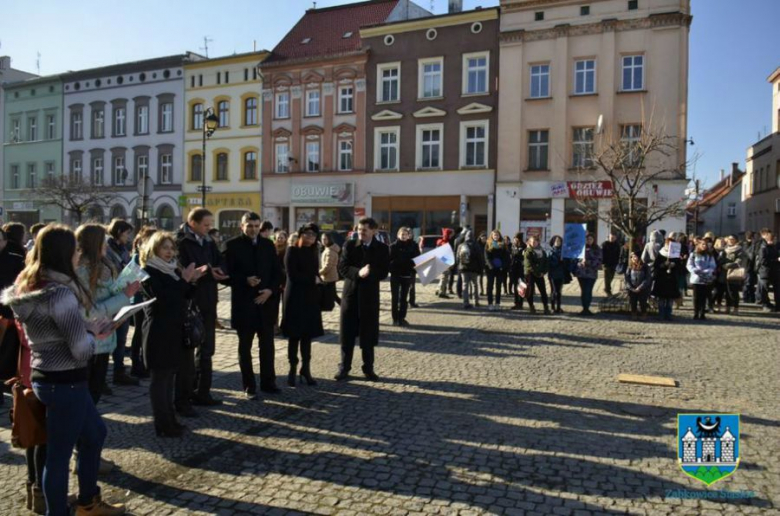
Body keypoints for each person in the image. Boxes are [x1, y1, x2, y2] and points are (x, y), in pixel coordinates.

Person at [2, 224, 126, 516]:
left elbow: (48, 331)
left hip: (46, 374)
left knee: (95, 433)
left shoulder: (29, 286)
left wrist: (86, 326)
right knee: (58, 455)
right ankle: (62, 511)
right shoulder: (60, 294)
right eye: (75, 249)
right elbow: (79, 349)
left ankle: (87, 500)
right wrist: (95, 334)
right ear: (65, 253)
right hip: (65, 379)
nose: (78, 254)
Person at [140, 232, 202, 437]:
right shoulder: (148, 271)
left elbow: (183, 296)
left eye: (171, 248)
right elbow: (164, 299)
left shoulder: (172, 269)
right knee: (160, 381)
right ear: (154, 248)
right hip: (158, 332)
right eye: (165, 248)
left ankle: (171, 421)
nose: (169, 252)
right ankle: (163, 424)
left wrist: (191, 281)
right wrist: (184, 280)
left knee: (169, 379)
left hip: (174, 330)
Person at [75, 224, 139, 406]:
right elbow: (88, 311)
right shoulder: (81, 271)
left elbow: (109, 295)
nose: (106, 245)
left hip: (104, 338)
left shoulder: (105, 265)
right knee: (87, 395)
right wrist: (124, 297)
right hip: (90, 338)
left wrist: (126, 292)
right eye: (103, 241)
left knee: (94, 392)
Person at [224, 213, 282, 398]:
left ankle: (268, 382)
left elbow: (277, 273)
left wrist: (270, 291)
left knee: (267, 346)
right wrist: (244, 280)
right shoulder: (232, 245)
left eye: (256, 226)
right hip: (244, 305)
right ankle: (249, 385)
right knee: (245, 348)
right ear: (241, 226)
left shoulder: (267, 244)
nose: (253, 229)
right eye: (249, 225)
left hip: (265, 304)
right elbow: (224, 275)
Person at [175, 208, 228, 408]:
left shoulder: (207, 240)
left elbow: (219, 259)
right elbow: (183, 269)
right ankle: (186, 394)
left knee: (207, 348)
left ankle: (203, 392)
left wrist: (220, 270)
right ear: (192, 223)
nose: (209, 228)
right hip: (190, 301)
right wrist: (206, 270)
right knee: (188, 349)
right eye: (206, 224)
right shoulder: (181, 242)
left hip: (208, 299)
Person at [335, 217, 390, 382]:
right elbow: (342, 268)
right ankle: (344, 367)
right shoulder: (350, 245)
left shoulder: (381, 248)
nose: (361, 233)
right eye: (359, 230)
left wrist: (370, 272)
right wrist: (358, 273)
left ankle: (368, 368)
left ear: (374, 231)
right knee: (347, 334)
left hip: (369, 297)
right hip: (351, 295)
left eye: (364, 230)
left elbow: (383, 272)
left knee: (368, 335)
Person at [283, 223, 324, 387]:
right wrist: (312, 279)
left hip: (310, 298)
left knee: (307, 336)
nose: (310, 237)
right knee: (294, 336)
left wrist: (319, 281)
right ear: (300, 234)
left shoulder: (314, 252)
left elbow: (315, 273)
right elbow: (292, 275)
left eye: (314, 235)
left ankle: (305, 369)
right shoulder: (292, 251)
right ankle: (292, 369)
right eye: (307, 234)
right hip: (294, 298)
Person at [104, 219, 139, 387]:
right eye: (126, 233)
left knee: (122, 335)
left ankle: (119, 371)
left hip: (124, 294)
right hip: (110, 295)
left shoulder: (124, 248)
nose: (128, 237)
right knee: (105, 337)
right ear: (119, 232)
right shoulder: (106, 249)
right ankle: (101, 377)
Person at [128, 226, 157, 379]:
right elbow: (135, 274)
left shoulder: (151, 255)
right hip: (139, 299)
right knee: (139, 332)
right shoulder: (138, 255)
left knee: (145, 332)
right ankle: (136, 364)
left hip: (148, 298)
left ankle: (144, 362)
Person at [389, 227, 419, 326]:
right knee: (395, 297)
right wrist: (396, 264)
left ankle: (402, 318)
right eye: (402, 234)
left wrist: (412, 268)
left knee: (404, 298)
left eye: (405, 234)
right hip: (396, 275)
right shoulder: (393, 246)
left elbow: (417, 259)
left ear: (408, 236)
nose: (404, 236)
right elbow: (388, 261)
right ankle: (395, 318)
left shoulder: (412, 246)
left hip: (407, 274)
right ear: (398, 235)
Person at [652, 236, 682, 321]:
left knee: (670, 299)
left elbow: (679, 266)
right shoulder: (661, 253)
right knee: (661, 298)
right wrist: (663, 264)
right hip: (662, 278)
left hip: (671, 279)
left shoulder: (675, 255)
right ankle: (661, 314)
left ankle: (668, 314)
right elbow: (656, 265)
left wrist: (674, 265)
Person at [687, 239, 717, 320]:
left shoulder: (710, 255)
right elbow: (689, 264)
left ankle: (702, 313)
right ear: (699, 245)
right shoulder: (693, 254)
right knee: (696, 297)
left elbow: (712, 265)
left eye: (706, 245)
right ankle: (696, 313)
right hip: (696, 278)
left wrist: (707, 271)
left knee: (704, 296)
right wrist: (694, 270)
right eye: (703, 244)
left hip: (706, 278)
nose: (704, 246)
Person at [574, 233, 602, 316]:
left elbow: (599, 261)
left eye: (591, 239)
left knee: (588, 291)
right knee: (583, 291)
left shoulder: (597, 249)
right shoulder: (581, 248)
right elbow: (575, 259)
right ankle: (584, 308)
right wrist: (579, 263)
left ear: (593, 240)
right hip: (581, 273)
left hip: (591, 274)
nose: (589, 241)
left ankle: (587, 308)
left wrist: (588, 262)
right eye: (587, 239)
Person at [523, 235, 550, 314]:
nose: (532, 243)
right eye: (531, 241)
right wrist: (537, 273)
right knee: (530, 291)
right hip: (530, 274)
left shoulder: (542, 251)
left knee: (543, 291)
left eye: (534, 241)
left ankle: (546, 307)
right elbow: (528, 264)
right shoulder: (528, 251)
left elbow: (546, 263)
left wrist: (543, 272)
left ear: (538, 242)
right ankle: (531, 306)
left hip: (540, 274)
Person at [457, 230, 483, 309]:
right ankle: (476, 301)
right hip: (474, 269)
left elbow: (457, 258)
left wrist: (459, 267)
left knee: (465, 285)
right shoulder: (476, 245)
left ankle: (465, 302)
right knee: (475, 285)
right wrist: (480, 269)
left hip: (463, 269)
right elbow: (480, 258)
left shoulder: (461, 245)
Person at [719, 235, 746, 315]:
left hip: (734, 273)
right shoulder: (724, 249)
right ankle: (727, 307)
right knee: (726, 291)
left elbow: (739, 261)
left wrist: (729, 265)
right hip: (724, 273)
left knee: (734, 292)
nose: (730, 240)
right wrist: (722, 264)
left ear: (736, 240)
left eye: (732, 239)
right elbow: (720, 259)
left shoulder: (739, 250)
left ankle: (735, 308)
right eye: (729, 239)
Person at [484, 230, 509, 311]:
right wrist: (491, 266)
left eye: (497, 235)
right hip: (490, 269)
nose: (496, 236)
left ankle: (497, 303)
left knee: (498, 286)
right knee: (490, 286)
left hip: (500, 269)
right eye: (494, 235)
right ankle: (490, 303)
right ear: (492, 236)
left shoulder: (503, 244)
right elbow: (486, 256)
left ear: (499, 236)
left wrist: (503, 266)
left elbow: (506, 257)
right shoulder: (488, 243)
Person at [756, 228, 780, 312]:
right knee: (764, 290)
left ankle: (778, 305)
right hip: (765, 272)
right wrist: (776, 260)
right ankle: (765, 305)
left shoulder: (774, 248)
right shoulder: (763, 248)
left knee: (777, 289)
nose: (776, 241)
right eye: (775, 239)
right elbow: (763, 261)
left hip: (775, 272)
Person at [625, 252, 652, 320]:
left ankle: (644, 314)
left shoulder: (645, 267)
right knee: (633, 302)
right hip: (632, 288)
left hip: (643, 288)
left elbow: (648, 278)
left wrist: (640, 287)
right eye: (631, 257)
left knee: (643, 302)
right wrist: (631, 288)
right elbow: (627, 278)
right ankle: (633, 314)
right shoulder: (630, 267)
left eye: (634, 256)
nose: (632, 258)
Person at [319, 232, 342, 307]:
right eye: (322, 239)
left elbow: (327, 266)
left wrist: (319, 272)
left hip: (329, 277)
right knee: (333, 295)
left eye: (325, 239)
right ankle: (344, 305)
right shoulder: (328, 248)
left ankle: (345, 305)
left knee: (332, 295)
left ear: (329, 240)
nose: (323, 241)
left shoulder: (330, 251)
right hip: (329, 276)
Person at [547, 236, 567, 314]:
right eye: (556, 241)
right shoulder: (551, 251)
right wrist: (559, 261)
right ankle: (552, 307)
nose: (558, 242)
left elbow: (567, 263)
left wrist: (564, 261)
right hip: (553, 274)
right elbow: (549, 263)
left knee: (559, 291)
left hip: (561, 274)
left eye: (559, 241)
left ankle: (558, 307)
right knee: (554, 291)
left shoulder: (563, 251)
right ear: (553, 242)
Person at [436, 228, 455, 299]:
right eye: (451, 235)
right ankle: (442, 292)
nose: (452, 236)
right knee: (445, 277)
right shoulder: (445, 243)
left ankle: (438, 289)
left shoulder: (440, 241)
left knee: (443, 277)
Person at [508, 233, 526, 310]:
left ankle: (520, 303)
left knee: (521, 286)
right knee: (515, 286)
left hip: (521, 269)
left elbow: (523, 257)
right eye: (514, 238)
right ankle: (516, 303)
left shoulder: (524, 246)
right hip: (513, 269)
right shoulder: (512, 246)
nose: (515, 240)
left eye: (516, 238)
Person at [742, 230, 757, 303]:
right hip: (748, 266)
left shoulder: (750, 244)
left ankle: (751, 298)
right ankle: (746, 298)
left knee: (750, 283)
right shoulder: (746, 244)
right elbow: (750, 255)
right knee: (748, 283)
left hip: (750, 266)